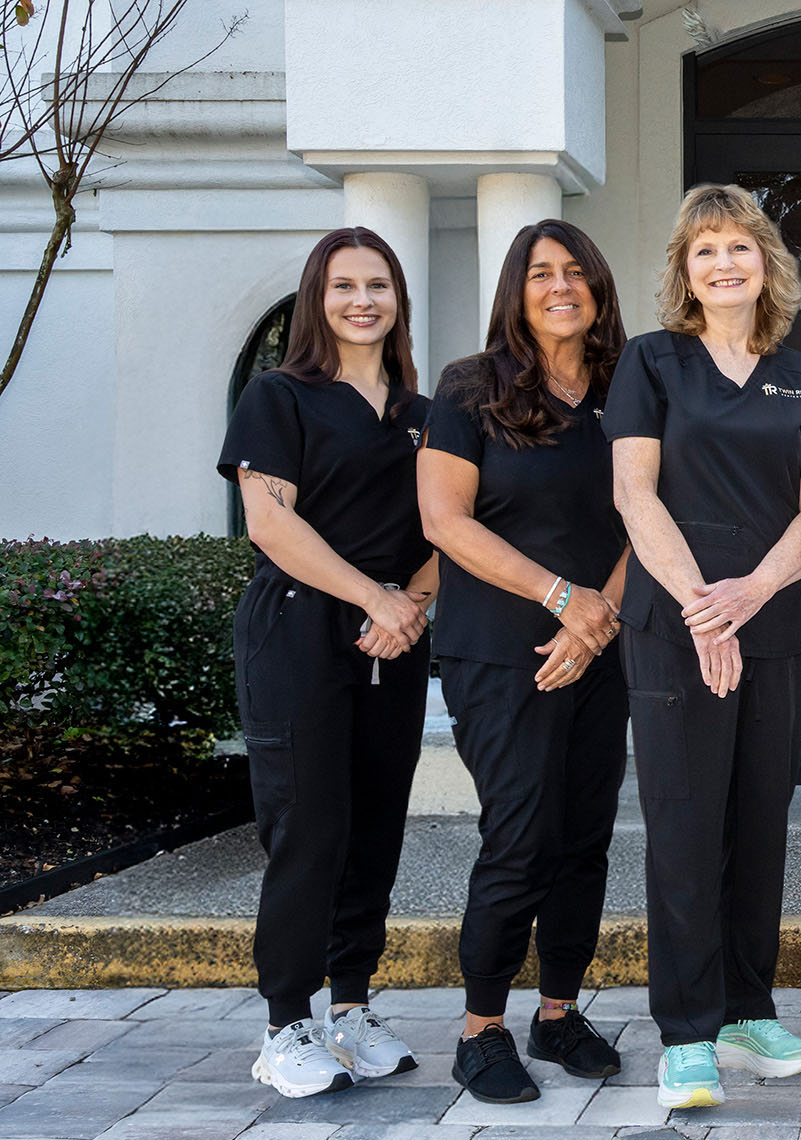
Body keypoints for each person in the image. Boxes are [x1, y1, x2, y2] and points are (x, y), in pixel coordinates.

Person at [605, 184, 801, 1110]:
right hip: (677, 630)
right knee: (687, 829)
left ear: (767, 263)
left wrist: (755, 594)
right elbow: (633, 492)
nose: (725, 263)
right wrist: (705, 608)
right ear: (684, 271)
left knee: (759, 826)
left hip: (777, 624)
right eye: (706, 251)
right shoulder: (652, 363)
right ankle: (688, 1033)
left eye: (741, 246)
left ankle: (747, 1010)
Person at [217, 227, 436, 1098]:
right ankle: (285, 1025)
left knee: (374, 829)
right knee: (308, 831)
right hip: (301, 633)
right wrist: (372, 598)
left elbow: (448, 525)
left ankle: (351, 1009)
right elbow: (272, 525)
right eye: (343, 284)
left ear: (397, 299)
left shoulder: (420, 414)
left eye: (377, 284)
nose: (361, 300)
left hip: (395, 641)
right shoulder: (281, 397)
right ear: (318, 298)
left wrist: (408, 604)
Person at [417, 219, 631, 1104]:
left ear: (599, 288)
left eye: (577, 272)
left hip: (603, 644)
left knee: (583, 839)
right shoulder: (470, 389)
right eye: (542, 273)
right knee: (520, 834)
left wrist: (599, 617)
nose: (561, 287)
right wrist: (561, 601)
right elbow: (445, 521)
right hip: (502, 653)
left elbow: (646, 512)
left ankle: (557, 1012)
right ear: (517, 287)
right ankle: (481, 1028)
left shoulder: (630, 383)